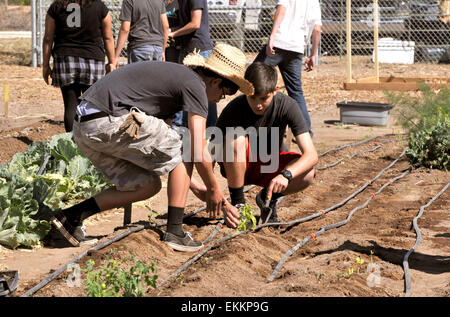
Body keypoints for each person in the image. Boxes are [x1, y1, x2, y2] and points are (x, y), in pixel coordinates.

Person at [46, 43, 254, 251]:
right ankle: (175, 231)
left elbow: (165, 156)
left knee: (147, 185)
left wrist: (196, 186)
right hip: (107, 119)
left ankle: (69, 218)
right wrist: (214, 189)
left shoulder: (177, 83)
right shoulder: (195, 85)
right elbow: (196, 150)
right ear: (216, 80)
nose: (221, 99)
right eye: (226, 92)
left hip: (85, 126)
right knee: (186, 145)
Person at [215, 62, 318, 226]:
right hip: (239, 167)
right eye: (252, 98)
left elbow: (311, 155)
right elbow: (210, 151)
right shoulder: (234, 108)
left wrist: (286, 175)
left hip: (270, 166)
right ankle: (239, 205)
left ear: (275, 90)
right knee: (236, 138)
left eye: (264, 98)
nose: (257, 104)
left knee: (307, 174)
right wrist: (212, 191)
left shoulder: (287, 105)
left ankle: (268, 197)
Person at [42, 0, 115, 132]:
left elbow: (48, 38)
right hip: (93, 60)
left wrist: (45, 65)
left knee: (71, 106)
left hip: (65, 59)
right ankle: (91, 145)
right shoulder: (99, 6)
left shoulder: (57, 6)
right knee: (93, 106)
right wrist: (112, 62)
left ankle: (72, 146)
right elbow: (108, 37)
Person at [254, 0, 322, 137]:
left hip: (279, 43)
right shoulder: (314, 2)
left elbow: (281, 9)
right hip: (296, 48)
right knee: (296, 90)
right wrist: (313, 54)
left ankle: (253, 123)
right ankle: (305, 133)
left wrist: (272, 37)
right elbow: (317, 29)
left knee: (253, 79)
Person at [168, 0, 217, 129]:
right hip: (186, 50)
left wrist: (173, 33)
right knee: (185, 92)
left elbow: (195, 23)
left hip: (200, 50)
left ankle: (211, 131)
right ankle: (186, 131)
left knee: (207, 94)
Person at [114, 0, 169, 66]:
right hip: (157, 48)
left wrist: (116, 56)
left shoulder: (129, 1)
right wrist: (163, 50)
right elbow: (166, 26)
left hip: (139, 47)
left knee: (138, 76)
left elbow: (125, 29)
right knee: (155, 76)